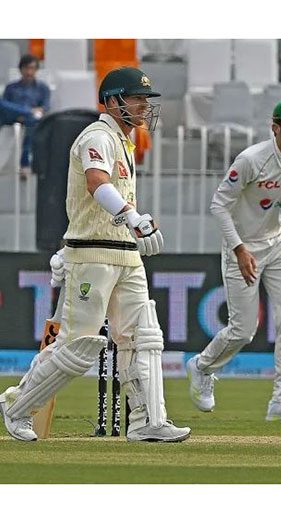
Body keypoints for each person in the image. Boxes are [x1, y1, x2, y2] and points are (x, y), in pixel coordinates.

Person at [0, 66, 190, 442]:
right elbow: (96, 183)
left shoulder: (124, 141)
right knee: (78, 348)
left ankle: (147, 420)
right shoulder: (97, 136)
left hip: (125, 253)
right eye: (136, 98)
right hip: (93, 253)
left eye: (145, 100)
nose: (143, 107)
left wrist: (132, 226)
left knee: (143, 336)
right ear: (114, 100)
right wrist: (134, 218)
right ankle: (16, 406)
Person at [186, 99, 281, 422]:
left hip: (280, 244)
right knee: (244, 330)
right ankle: (202, 366)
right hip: (243, 247)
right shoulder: (250, 160)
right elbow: (219, 205)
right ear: (276, 127)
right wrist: (239, 249)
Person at [1, 54, 50, 177]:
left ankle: (25, 163)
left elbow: (45, 107)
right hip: (11, 117)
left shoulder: (43, 88)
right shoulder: (11, 87)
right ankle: (27, 111)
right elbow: (5, 105)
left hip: (30, 120)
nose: (29, 72)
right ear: (21, 69)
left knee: (32, 120)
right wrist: (28, 111)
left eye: (32, 68)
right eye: (26, 68)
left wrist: (29, 113)